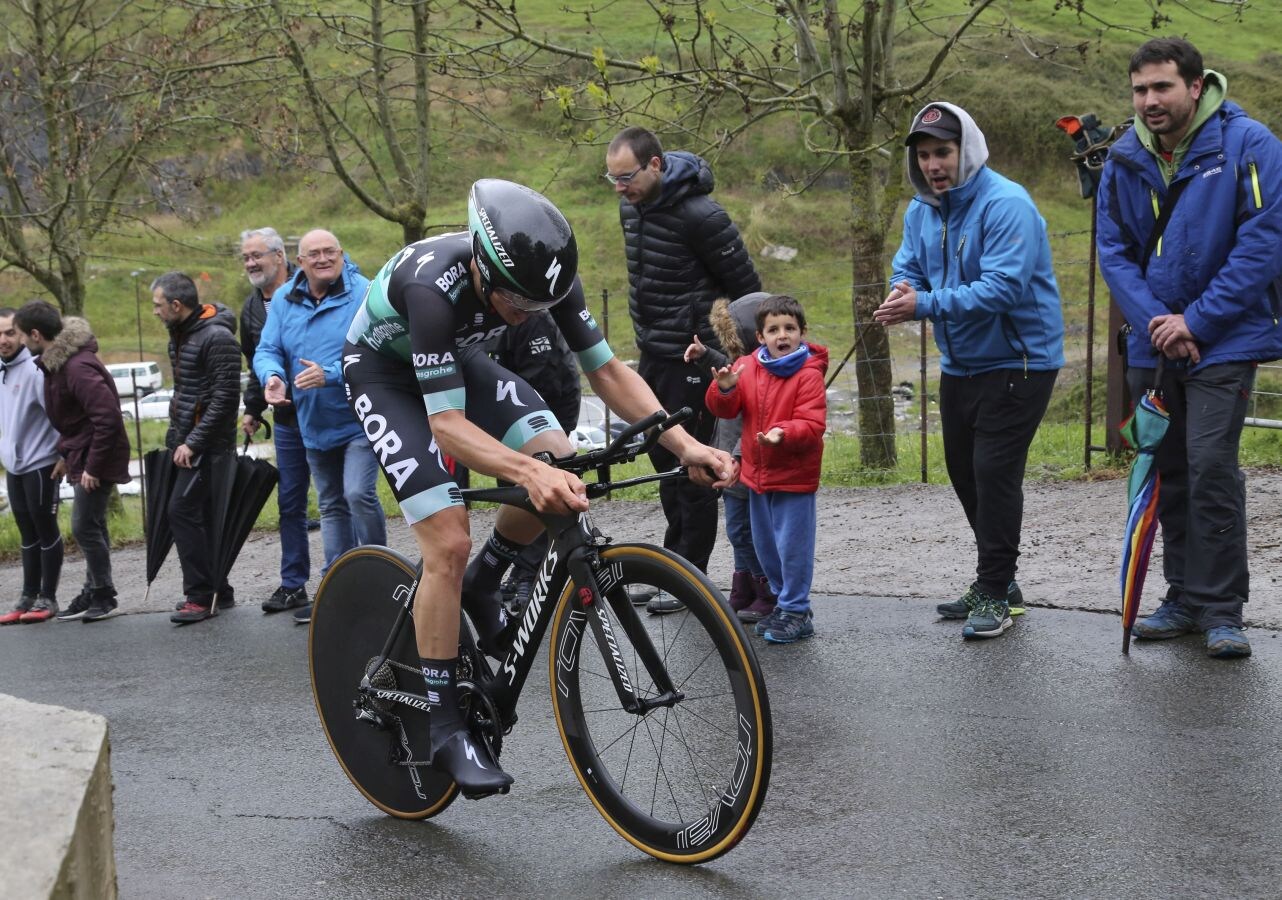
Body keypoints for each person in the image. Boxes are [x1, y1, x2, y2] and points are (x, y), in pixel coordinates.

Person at [342, 178, 737, 795]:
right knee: (446, 541)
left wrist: (685, 445)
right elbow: (445, 427)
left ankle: (486, 577)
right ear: (481, 265)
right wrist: (527, 474)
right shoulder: (431, 287)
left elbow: (605, 369)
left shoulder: (545, 276)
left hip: (455, 360)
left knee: (561, 455)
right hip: (385, 375)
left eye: (538, 308)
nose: (527, 318)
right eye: (517, 307)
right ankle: (446, 728)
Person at [1095, 38, 1282, 659]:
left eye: (1162, 87)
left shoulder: (1249, 146)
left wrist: (1195, 322)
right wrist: (1158, 322)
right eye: (1140, 89)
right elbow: (1114, 250)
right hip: (1155, 345)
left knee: (1210, 467)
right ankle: (1181, 597)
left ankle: (1223, 607)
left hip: (1224, 341)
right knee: (1167, 468)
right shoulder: (1123, 157)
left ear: (1196, 86)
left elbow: (1263, 241)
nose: (1149, 100)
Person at [874, 101, 1064, 641]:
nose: (935, 164)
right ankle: (1000, 581)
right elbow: (908, 263)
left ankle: (994, 589)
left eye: (945, 152)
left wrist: (924, 306)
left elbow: (1003, 288)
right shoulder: (921, 208)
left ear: (967, 150)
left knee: (994, 474)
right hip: (960, 361)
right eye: (926, 155)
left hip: (1020, 358)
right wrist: (902, 290)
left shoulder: (1008, 204)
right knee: (962, 471)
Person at [605, 126, 761, 613]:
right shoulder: (630, 206)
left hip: (695, 355)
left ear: (655, 166)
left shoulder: (703, 215)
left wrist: (736, 357)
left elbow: (747, 290)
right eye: (610, 178)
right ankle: (675, 565)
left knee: (692, 465)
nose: (618, 187)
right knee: (663, 458)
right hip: (653, 352)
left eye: (626, 176)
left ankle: (688, 579)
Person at [255, 228, 386, 625]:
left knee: (357, 493)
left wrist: (329, 374)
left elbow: (377, 349)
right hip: (312, 422)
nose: (323, 258)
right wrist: (272, 377)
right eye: (314, 253)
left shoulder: (365, 292)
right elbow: (267, 349)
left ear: (342, 255)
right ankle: (340, 590)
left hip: (359, 416)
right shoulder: (283, 299)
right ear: (300, 260)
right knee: (330, 505)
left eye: (331, 251)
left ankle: (381, 578)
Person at [705, 294, 827, 643]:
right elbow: (725, 409)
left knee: (792, 547)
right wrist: (724, 389)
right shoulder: (748, 366)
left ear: (802, 332)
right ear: (760, 336)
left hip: (793, 478)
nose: (782, 335)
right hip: (757, 476)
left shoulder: (808, 374)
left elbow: (812, 423)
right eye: (773, 329)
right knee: (765, 547)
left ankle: (797, 608)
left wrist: (782, 433)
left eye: (790, 328)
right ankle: (781, 602)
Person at [13, 301, 132, 622]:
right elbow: (74, 421)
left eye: (22, 335)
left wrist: (93, 466)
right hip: (83, 453)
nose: (21, 342)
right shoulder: (57, 364)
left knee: (83, 526)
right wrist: (67, 456)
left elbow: (107, 418)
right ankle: (94, 588)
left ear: (36, 334)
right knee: (93, 524)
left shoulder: (76, 367)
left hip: (99, 455)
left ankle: (103, 594)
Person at [152, 273, 243, 625]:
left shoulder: (216, 338)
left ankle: (201, 596)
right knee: (199, 515)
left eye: (159, 306)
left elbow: (224, 398)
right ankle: (221, 589)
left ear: (177, 305)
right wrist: (177, 437)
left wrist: (194, 441)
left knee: (182, 512)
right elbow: (187, 393)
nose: (156, 312)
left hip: (211, 447)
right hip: (187, 443)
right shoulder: (180, 335)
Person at [683, 292, 777, 623]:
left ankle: (766, 589)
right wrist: (703, 355)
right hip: (732, 469)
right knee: (737, 531)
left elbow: (758, 423)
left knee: (756, 532)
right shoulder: (740, 369)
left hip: (748, 468)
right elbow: (728, 362)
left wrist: (737, 457)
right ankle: (744, 585)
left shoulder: (766, 379)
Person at [238, 226, 312, 615]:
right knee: (290, 502)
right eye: (246, 258)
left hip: (325, 411)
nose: (251, 263)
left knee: (343, 499)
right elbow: (256, 362)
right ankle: (293, 584)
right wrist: (252, 408)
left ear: (280, 256)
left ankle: (350, 575)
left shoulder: (311, 290)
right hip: (285, 418)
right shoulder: (251, 309)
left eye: (257, 256)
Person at [493, 311, 581, 615]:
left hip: (549, 405)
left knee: (538, 491)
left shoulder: (531, 317)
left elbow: (541, 379)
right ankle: (520, 567)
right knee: (512, 491)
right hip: (507, 408)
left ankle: (533, 572)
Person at [0, 307, 63, 625]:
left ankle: (47, 597)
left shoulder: (37, 370)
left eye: (10, 332)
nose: (4, 340)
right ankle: (27, 595)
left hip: (42, 464)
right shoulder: (1, 371)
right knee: (27, 533)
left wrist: (64, 455)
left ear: (22, 334)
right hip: (15, 467)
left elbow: (60, 416)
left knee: (45, 529)